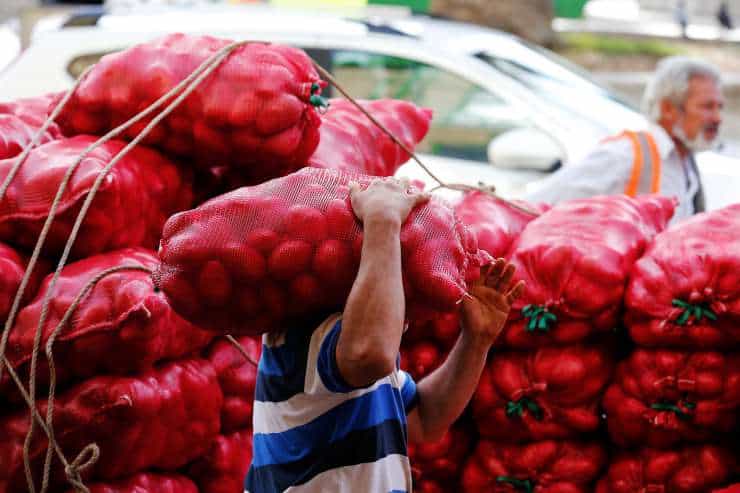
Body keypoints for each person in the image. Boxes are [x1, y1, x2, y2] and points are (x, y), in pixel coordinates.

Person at [245, 177, 524, 493]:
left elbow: (425, 420)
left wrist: (476, 340)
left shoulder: (357, 346)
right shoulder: (307, 335)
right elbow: (369, 353)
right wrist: (383, 223)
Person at [527, 56, 724, 221]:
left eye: (719, 107)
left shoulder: (686, 161)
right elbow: (534, 207)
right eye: (707, 107)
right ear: (668, 109)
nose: (717, 117)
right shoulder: (625, 155)